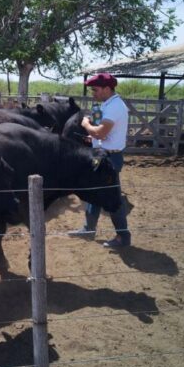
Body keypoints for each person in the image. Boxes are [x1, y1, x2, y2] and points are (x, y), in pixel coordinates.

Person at [68, 72, 131, 249]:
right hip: (105, 154)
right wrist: (94, 140)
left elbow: (101, 132)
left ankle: (123, 237)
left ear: (107, 88)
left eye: (95, 89)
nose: (93, 93)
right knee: (94, 191)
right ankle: (89, 229)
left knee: (111, 196)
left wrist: (86, 124)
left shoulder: (114, 107)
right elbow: (105, 135)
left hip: (110, 158)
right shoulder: (110, 104)